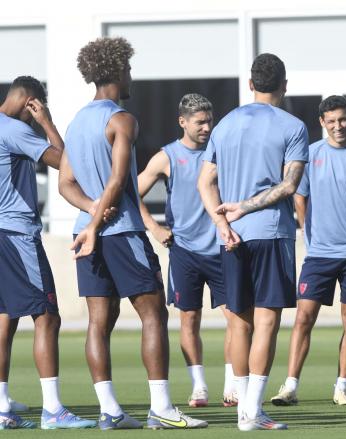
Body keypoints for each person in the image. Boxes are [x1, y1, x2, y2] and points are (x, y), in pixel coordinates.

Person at [58, 37, 206, 429]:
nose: (130, 76)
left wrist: (90, 215)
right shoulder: (122, 119)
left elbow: (65, 184)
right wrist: (98, 221)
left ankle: (110, 412)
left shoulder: (76, 121)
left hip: (86, 234)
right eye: (128, 68)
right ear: (117, 71)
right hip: (121, 232)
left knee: (98, 322)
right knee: (153, 312)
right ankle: (160, 408)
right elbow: (120, 179)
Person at [198, 53, 308, 431]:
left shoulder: (225, 124)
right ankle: (252, 412)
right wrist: (243, 208)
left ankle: (244, 408)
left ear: (250, 84)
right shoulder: (293, 126)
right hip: (271, 234)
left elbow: (205, 182)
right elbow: (290, 185)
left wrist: (222, 222)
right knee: (266, 323)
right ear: (285, 85)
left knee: (239, 324)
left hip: (233, 238)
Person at [269, 95, 346, 406]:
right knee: (304, 317)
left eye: (342, 119)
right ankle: (290, 386)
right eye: (331, 121)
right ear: (322, 123)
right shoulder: (308, 156)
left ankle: (341, 387)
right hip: (319, 254)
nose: (337, 126)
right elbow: (299, 200)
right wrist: (309, 232)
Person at [0, 76, 96, 430]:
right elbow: (66, 163)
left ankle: (1, 405)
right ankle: (53, 410)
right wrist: (47, 123)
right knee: (47, 315)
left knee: (5, 318)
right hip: (16, 234)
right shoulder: (14, 129)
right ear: (29, 101)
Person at [137, 93, 236, 409]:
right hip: (185, 251)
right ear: (183, 122)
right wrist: (154, 228)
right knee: (189, 319)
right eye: (200, 122)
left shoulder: (222, 152)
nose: (208, 127)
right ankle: (199, 387)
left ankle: (233, 386)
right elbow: (130, 193)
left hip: (223, 248)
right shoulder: (167, 156)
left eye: (210, 120)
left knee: (235, 318)